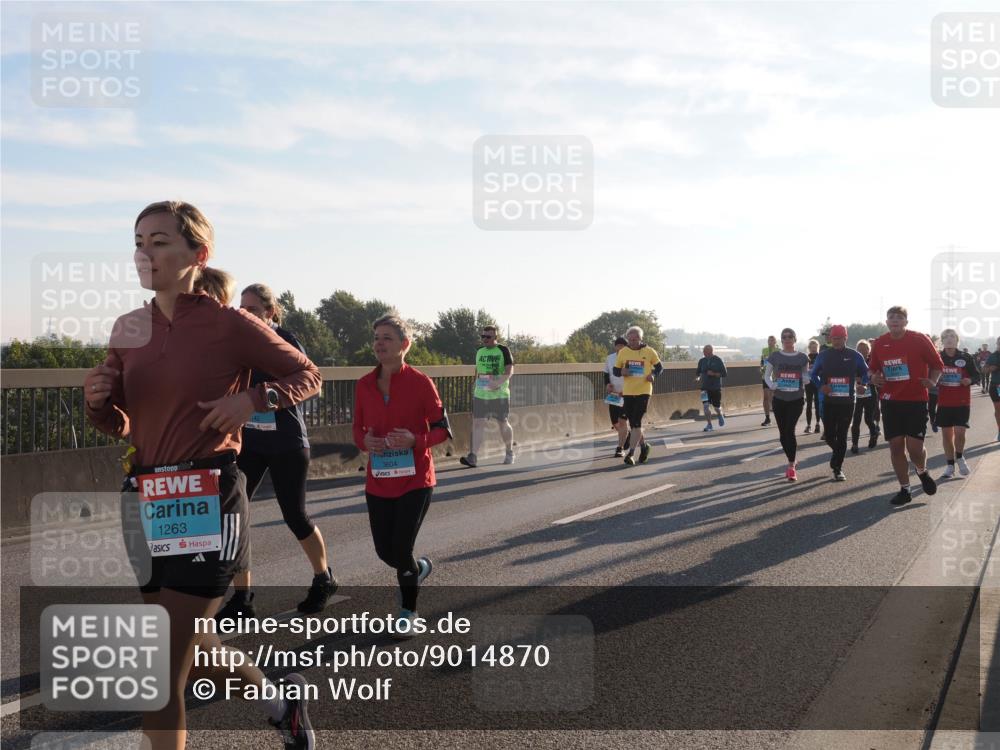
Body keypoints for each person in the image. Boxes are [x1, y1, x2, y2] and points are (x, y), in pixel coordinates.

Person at [85, 201, 322, 749]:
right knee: (187, 649)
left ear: (198, 254)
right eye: (139, 241)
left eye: (160, 241)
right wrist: (98, 404)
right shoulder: (128, 328)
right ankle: (279, 702)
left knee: (160, 667)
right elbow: (121, 423)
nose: (146, 252)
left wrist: (253, 399)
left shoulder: (229, 323)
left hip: (206, 495)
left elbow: (308, 374)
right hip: (143, 497)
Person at [214, 284, 336, 623]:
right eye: (243, 308)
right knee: (234, 517)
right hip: (250, 442)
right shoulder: (238, 345)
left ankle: (323, 577)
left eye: (253, 309)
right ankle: (243, 598)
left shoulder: (284, 341)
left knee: (294, 515)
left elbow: (307, 382)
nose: (246, 314)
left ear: (269, 313)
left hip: (286, 442)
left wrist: (262, 397)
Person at [352, 314, 450, 636]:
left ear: (404, 345)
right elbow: (357, 430)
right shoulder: (364, 385)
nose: (379, 343)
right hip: (379, 481)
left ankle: (408, 611)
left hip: (415, 479)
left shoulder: (422, 383)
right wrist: (364, 442)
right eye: (376, 337)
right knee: (385, 551)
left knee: (402, 547)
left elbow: (442, 431)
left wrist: (415, 440)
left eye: (387, 338)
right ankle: (417, 569)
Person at [868, 306, 944, 506]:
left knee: (915, 449)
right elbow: (872, 369)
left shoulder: (919, 340)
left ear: (906, 322)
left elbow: (938, 365)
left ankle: (922, 470)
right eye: (891, 317)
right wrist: (874, 377)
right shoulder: (880, 343)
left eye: (899, 317)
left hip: (915, 400)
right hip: (890, 401)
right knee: (896, 447)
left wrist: (933, 381)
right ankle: (905, 489)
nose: (895, 320)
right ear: (886, 322)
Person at [809, 325, 869, 481]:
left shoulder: (854, 355)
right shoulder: (823, 356)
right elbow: (813, 375)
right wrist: (821, 386)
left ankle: (838, 468)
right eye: (833, 338)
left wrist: (864, 384)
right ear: (830, 339)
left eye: (839, 338)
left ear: (845, 338)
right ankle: (838, 454)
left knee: (842, 435)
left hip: (848, 401)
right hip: (829, 401)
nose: (836, 341)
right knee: (829, 436)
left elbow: (865, 373)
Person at [460, 325, 514, 467]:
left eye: (488, 337)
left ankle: (509, 452)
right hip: (481, 394)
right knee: (477, 423)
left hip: (499, 395)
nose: (485, 339)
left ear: (495, 338)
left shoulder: (503, 350)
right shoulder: (479, 351)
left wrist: (497, 383)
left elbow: (509, 371)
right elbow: (478, 370)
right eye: (483, 336)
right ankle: (473, 457)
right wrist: (475, 385)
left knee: (503, 423)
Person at [763, 328, 811, 481]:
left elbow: (806, 375)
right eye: (784, 337)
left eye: (790, 336)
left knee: (790, 430)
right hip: (779, 399)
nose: (787, 339)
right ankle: (792, 459)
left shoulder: (803, 357)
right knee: (783, 434)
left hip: (796, 398)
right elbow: (767, 375)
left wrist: (804, 379)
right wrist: (772, 385)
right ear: (781, 340)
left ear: (795, 339)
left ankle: (791, 465)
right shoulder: (775, 356)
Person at [613, 326, 663, 465]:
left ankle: (631, 454)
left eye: (635, 339)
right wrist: (623, 371)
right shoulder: (623, 352)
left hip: (644, 391)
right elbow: (616, 370)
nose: (632, 342)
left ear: (641, 339)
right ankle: (644, 447)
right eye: (630, 339)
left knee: (637, 422)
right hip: (628, 392)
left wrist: (653, 375)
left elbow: (660, 368)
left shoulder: (649, 351)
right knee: (633, 423)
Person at [936, 329, 981, 479]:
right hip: (944, 402)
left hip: (962, 401)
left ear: (957, 340)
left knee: (960, 433)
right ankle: (950, 465)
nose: (949, 339)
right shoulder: (938, 357)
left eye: (952, 337)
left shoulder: (965, 357)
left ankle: (960, 457)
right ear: (942, 341)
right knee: (947, 436)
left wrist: (970, 380)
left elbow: (976, 375)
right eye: (946, 337)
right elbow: (930, 375)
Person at [851, 339, 881, 453]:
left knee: (868, 419)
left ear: (869, 350)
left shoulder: (873, 362)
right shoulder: (853, 361)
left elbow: (877, 378)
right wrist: (855, 379)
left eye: (865, 349)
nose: (862, 351)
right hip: (856, 395)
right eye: (860, 349)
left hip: (870, 393)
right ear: (856, 350)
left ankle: (874, 434)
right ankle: (854, 444)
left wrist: (866, 380)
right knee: (856, 420)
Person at [604, 336, 631, 457]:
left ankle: (619, 448)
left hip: (627, 394)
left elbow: (635, 376)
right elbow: (606, 373)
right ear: (615, 346)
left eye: (622, 345)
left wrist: (626, 390)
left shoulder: (631, 358)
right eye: (618, 345)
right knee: (614, 421)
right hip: (614, 394)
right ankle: (627, 434)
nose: (620, 347)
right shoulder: (610, 358)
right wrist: (607, 384)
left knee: (622, 421)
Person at [695, 344, 728, 431]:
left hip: (715, 388)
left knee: (716, 407)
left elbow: (724, 374)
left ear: (711, 351)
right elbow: (698, 372)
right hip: (704, 388)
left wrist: (713, 374)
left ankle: (720, 414)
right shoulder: (702, 361)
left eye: (705, 351)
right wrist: (697, 378)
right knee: (705, 406)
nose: (704, 353)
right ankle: (709, 425)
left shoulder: (718, 360)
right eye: (703, 351)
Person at [804, 339, 823, 435]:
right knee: (808, 405)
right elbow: (803, 370)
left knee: (817, 404)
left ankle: (817, 424)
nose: (814, 349)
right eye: (812, 347)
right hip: (808, 383)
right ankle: (808, 425)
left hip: (818, 383)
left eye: (815, 347)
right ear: (809, 348)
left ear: (818, 347)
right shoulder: (806, 357)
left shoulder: (820, 357)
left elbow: (822, 370)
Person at [760, 335, 779, 426]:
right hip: (766, 376)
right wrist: (761, 368)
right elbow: (762, 361)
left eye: (772, 340)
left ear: (775, 342)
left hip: (776, 376)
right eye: (769, 340)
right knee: (766, 397)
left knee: (775, 398)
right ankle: (767, 418)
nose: (770, 342)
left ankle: (780, 417)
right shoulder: (764, 350)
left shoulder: (779, 351)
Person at [985, 337, 1000, 441]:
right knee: (998, 410)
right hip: (996, 386)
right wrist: (991, 368)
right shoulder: (993, 356)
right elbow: (984, 369)